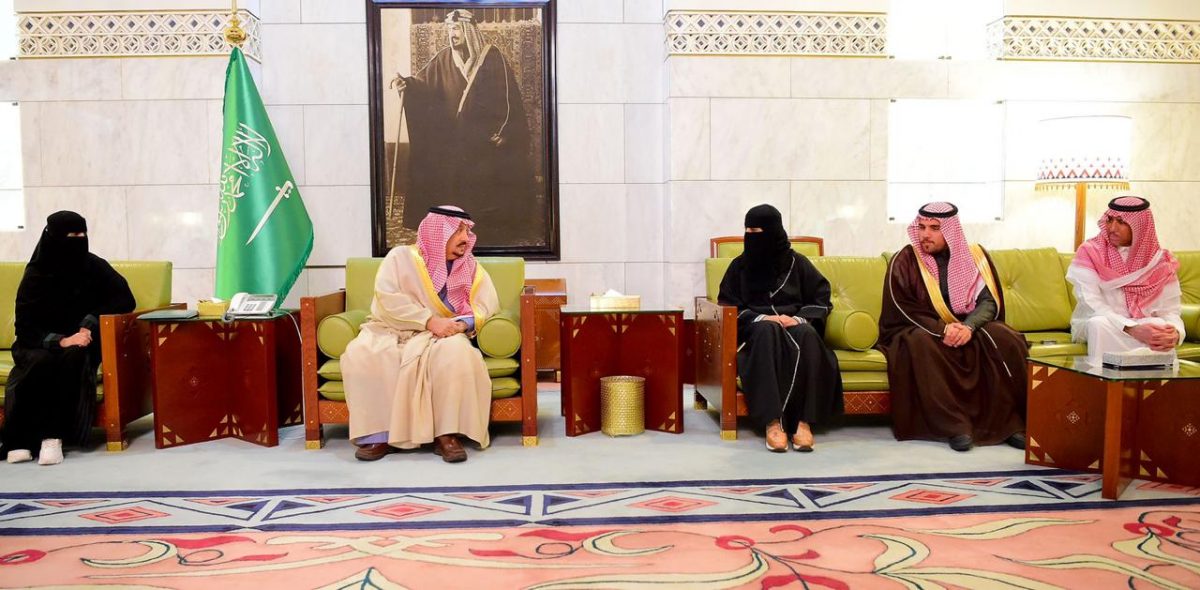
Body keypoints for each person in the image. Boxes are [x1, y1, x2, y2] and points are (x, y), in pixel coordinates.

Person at [341, 206, 500, 463]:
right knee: (363, 353)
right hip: (392, 328)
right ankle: (379, 435)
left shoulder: (470, 267)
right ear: (437, 233)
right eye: (457, 231)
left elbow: (485, 305)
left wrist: (462, 324)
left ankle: (447, 434)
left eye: (466, 231)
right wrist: (428, 321)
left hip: (443, 335)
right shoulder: (400, 258)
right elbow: (388, 298)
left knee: (457, 354)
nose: (464, 238)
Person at [877, 202, 1026, 452]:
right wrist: (942, 329)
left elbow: (988, 302)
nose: (925, 234)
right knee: (919, 343)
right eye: (922, 227)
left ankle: (1008, 424)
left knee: (1004, 337)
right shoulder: (906, 259)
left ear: (951, 230)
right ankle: (953, 426)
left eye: (934, 228)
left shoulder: (974, 256)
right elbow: (904, 306)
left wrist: (968, 327)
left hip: (967, 327)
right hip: (923, 328)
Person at [392, 9, 540, 246]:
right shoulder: (443, 58)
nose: (453, 34)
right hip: (455, 140)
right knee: (442, 163)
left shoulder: (492, 59)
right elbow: (422, 84)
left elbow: (508, 99)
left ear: (469, 31)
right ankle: (451, 227)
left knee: (490, 172)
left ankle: (489, 227)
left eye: (458, 29)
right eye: (450, 29)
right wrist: (406, 85)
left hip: (485, 142)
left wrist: (504, 132)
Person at [1, 211, 135, 465]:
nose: (79, 240)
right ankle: (20, 439)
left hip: (81, 342)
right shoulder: (36, 275)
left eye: (83, 234)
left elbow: (124, 298)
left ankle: (53, 437)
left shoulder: (93, 266)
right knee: (42, 362)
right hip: (37, 342)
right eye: (72, 235)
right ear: (53, 238)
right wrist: (61, 340)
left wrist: (88, 325)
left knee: (73, 358)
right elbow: (25, 328)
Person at [717, 204, 843, 452]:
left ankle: (803, 422)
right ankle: (772, 422)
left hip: (795, 323)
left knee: (807, 333)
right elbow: (728, 306)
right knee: (767, 331)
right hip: (757, 331)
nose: (751, 237)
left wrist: (797, 319)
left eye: (758, 231)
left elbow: (820, 300)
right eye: (748, 231)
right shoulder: (739, 267)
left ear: (774, 231)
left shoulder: (798, 263)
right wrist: (763, 318)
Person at [1066, 196, 1184, 363]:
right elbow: (1092, 304)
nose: (1112, 228)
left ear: (1140, 226)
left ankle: (1155, 379)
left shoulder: (1159, 261)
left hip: (1144, 325)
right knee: (1098, 324)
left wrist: (1176, 333)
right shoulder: (1090, 252)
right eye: (1110, 220)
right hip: (1104, 321)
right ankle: (1101, 378)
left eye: (1121, 222)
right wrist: (1132, 328)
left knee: (1160, 327)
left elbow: (1171, 311)